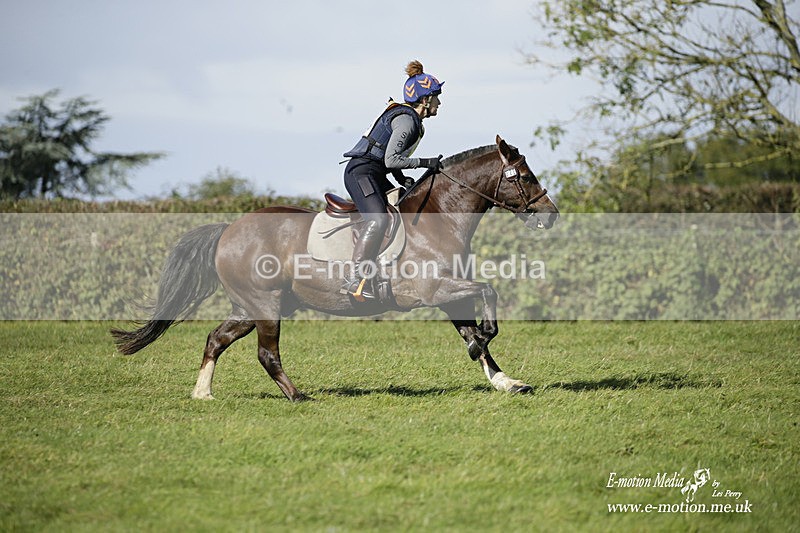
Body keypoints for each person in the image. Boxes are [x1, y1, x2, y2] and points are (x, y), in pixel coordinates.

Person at [340, 60, 444, 301]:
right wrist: (426, 163)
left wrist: (402, 179)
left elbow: (391, 161)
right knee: (377, 220)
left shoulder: (413, 122)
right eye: (437, 97)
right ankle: (355, 277)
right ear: (425, 100)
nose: (440, 102)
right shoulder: (407, 121)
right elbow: (390, 160)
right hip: (361, 173)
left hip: (375, 173)